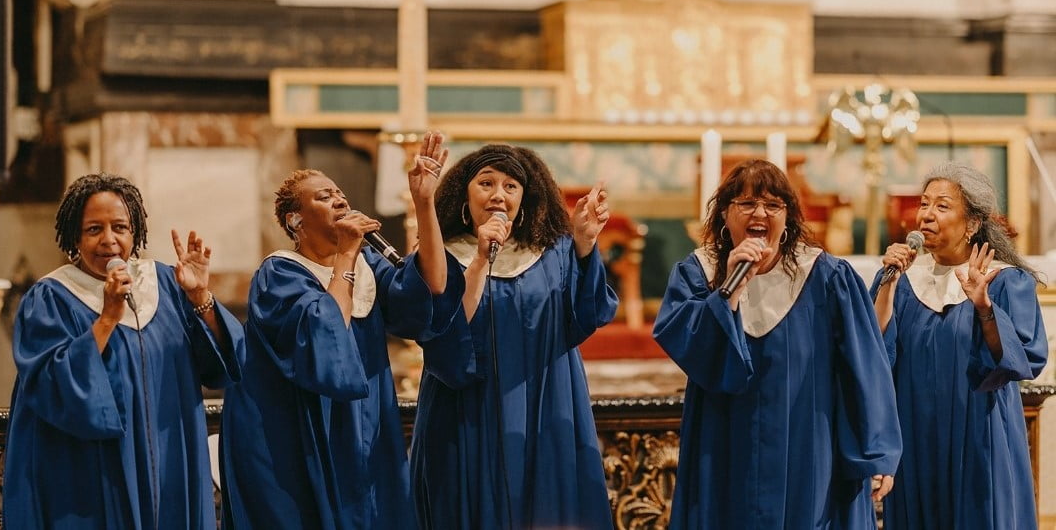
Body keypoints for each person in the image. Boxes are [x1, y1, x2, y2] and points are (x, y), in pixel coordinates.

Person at [219, 131, 450, 529]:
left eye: (339, 192)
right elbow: (324, 334)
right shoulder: (279, 273)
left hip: (364, 424)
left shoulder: (367, 265)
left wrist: (424, 201)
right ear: (295, 220)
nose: (339, 199)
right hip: (293, 434)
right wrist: (346, 252)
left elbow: (431, 288)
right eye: (323, 197)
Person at [653, 159, 902, 529]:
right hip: (723, 441)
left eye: (773, 205)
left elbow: (865, 366)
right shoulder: (699, 274)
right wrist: (728, 294)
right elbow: (688, 344)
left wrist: (877, 450)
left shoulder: (825, 276)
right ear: (724, 214)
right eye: (747, 204)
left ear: (788, 218)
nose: (760, 213)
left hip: (809, 446)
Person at [3, 173, 244, 529]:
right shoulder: (51, 298)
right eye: (93, 230)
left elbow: (223, 365)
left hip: (172, 458)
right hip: (94, 469)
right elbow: (51, 386)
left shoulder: (164, 283)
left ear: (135, 233)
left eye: (120, 227)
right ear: (74, 236)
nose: (109, 241)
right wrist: (107, 317)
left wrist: (200, 299)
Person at [410, 143, 618, 529]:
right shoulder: (441, 256)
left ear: (525, 199)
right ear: (463, 195)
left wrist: (585, 244)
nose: (497, 195)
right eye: (485, 183)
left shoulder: (553, 252)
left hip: (546, 403)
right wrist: (479, 260)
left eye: (510, 186)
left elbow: (587, 316)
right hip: (467, 410)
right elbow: (438, 331)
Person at [873, 161, 1047, 529]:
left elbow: (1023, 358)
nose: (927, 215)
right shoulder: (903, 282)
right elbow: (873, 349)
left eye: (942, 205)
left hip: (979, 430)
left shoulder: (1003, 281)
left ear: (971, 224)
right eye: (924, 204)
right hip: (915, 429)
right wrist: (887, 281)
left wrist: (983, 307)